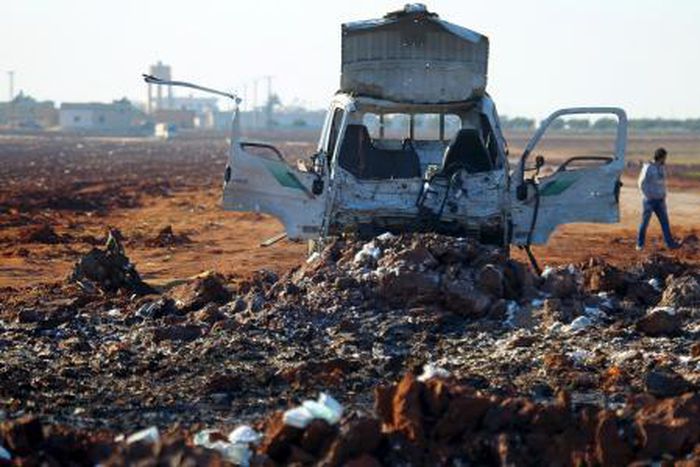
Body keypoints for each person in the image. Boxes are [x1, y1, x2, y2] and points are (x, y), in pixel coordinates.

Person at [636, 147, 680, 250]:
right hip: (650, 201)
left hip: (660, 200)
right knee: (644, 223)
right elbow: (641, 183)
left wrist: (663, 194)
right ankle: (639, 244)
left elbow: (661, 182)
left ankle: (670, 244)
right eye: (665, 157)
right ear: (661, 157)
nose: (665, 160)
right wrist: (647, 195)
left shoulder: (661, 167)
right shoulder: (648, 167)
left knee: (665, 223)